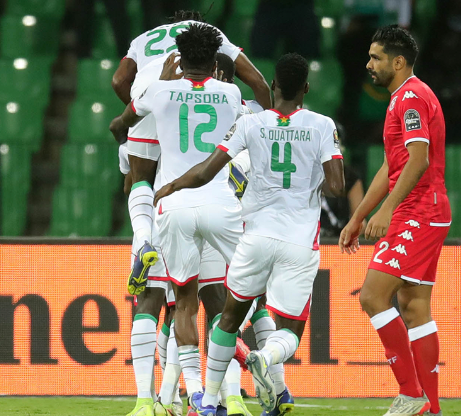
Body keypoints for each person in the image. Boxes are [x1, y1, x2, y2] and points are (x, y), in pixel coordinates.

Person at [153, 52, 345, 416]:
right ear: (306, 88)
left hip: (253, 237)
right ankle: (265, 358)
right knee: (290, 328)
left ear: (273, 86)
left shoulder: (251, 124)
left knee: (226, 317)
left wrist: (172, 186)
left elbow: (207, 171)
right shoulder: (322, 125)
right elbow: (336, 187)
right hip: (298, 242)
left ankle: (208, 400)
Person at [110, 24, 256, 416]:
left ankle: (161, 399)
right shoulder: (231, 95)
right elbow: (256, 89)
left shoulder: (154, 93)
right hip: (223, 206)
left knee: (170, 303)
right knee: (233, 299)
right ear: (214, 62)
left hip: (167, 207)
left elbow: (132, 167)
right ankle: (233, 393)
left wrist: (126, 123)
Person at [339, 25, 450, 416]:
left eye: (376, 57)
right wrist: (358, 215)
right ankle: (430, 407)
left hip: (420, 210)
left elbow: (417, 160)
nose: (369, 64)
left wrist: (387, 210)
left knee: (372, 295)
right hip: (424, 209)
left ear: (398, 61)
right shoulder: (401, 98)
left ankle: (411, 392)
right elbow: (392, 165)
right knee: (415, 306)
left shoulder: (413, 97)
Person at [118, 144, 183, 416]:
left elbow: (130, 184)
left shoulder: (136, 133)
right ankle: (171, 398)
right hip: (186, 216)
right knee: (182, 308)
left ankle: (144, 401)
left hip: (151, 219)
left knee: (146, 307)